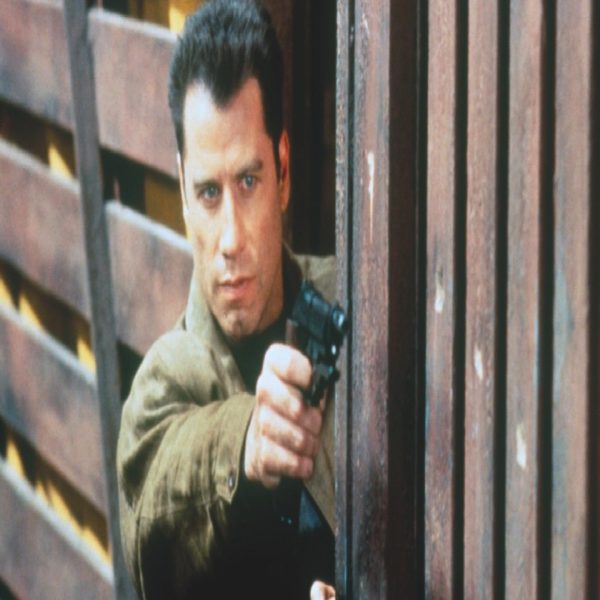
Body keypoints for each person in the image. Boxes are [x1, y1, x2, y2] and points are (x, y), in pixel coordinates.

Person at [116, 1, 337, 598]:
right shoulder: (162, 388)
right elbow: (154, 514)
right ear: (184, 196)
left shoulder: (345, 303)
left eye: (248, 181)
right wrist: (249, 441)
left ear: (283, 171)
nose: (232, 238)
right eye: (209, 193)